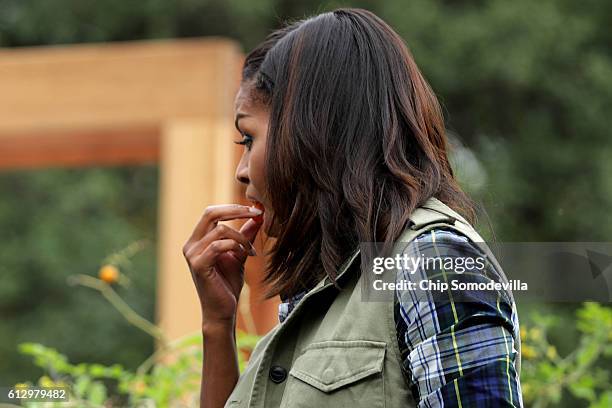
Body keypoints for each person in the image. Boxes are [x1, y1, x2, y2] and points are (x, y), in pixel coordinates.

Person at [182, 8, 522, 408]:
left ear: (309, 129)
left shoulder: (432, 261)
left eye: (248, 139)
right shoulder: (319, 294)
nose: (241, 171)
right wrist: (217, 326)